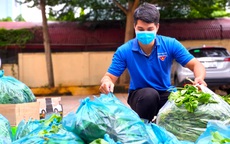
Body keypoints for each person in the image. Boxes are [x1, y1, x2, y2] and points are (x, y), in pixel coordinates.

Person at [99, 2, 207, 122]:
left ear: (157, 27)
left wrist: (199, 78)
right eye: (140, 29)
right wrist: (106, 83)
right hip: (140, 96)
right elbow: (109, 77)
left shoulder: (170, 44)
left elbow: (196, 64)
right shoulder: (124, 51)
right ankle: (144, 127)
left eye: (150, 29)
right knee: (150, 95)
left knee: (182, 103)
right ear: (134, 26)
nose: (145, 33)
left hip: (165, 92)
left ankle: (158, 125)